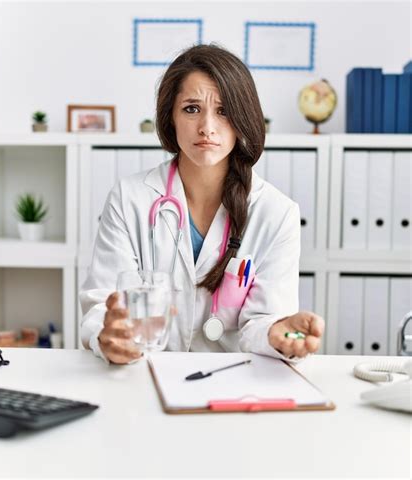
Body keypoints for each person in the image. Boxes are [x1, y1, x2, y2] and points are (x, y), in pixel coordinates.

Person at [80, 44, 325, 364]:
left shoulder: (276, 213)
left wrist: (276, 332)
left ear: (242, 119)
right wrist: (108, 336)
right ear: (170, 117)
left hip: (231, 382)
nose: (207, 127)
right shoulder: (130, 199)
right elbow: (102, 304)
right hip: (143, 372)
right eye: (191, 108)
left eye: (223, 111)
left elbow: (261, 323)